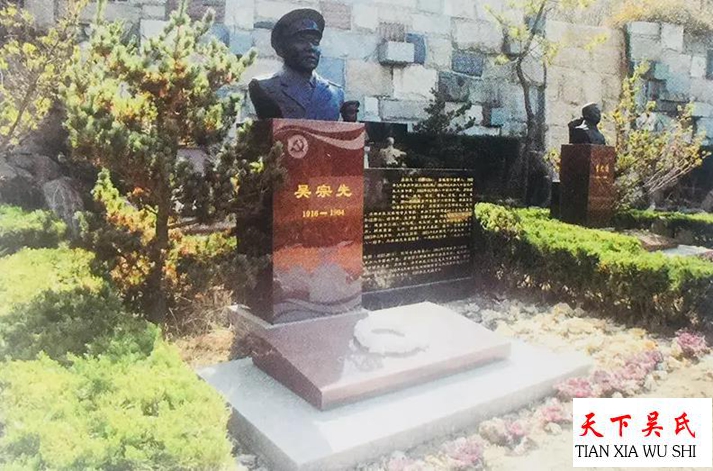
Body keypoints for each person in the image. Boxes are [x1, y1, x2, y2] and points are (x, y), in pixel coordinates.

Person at [248, 9, 344, 121]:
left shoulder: (335, 93)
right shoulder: (264, 86)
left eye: (315, 41)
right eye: (301, 40)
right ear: (281, 48)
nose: (311, 47)